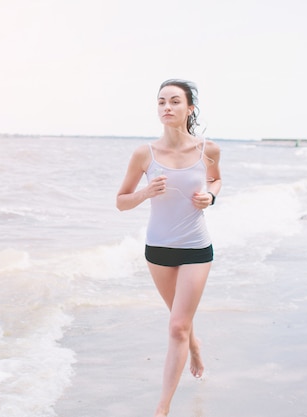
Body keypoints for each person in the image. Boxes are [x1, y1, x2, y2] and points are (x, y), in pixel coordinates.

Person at [115, 79, 221, 416]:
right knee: (180, 319)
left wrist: (211, 197)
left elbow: (216, 178)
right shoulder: (144, 154)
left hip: (195, 247)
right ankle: (195, 344)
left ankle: (162, 408)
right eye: (161, 102)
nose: (167, 108)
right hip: (159, 248)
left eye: (175, 101)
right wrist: (146, 193)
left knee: (176, 325)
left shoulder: (208, 150)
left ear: (190, 108)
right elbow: (121, 202)